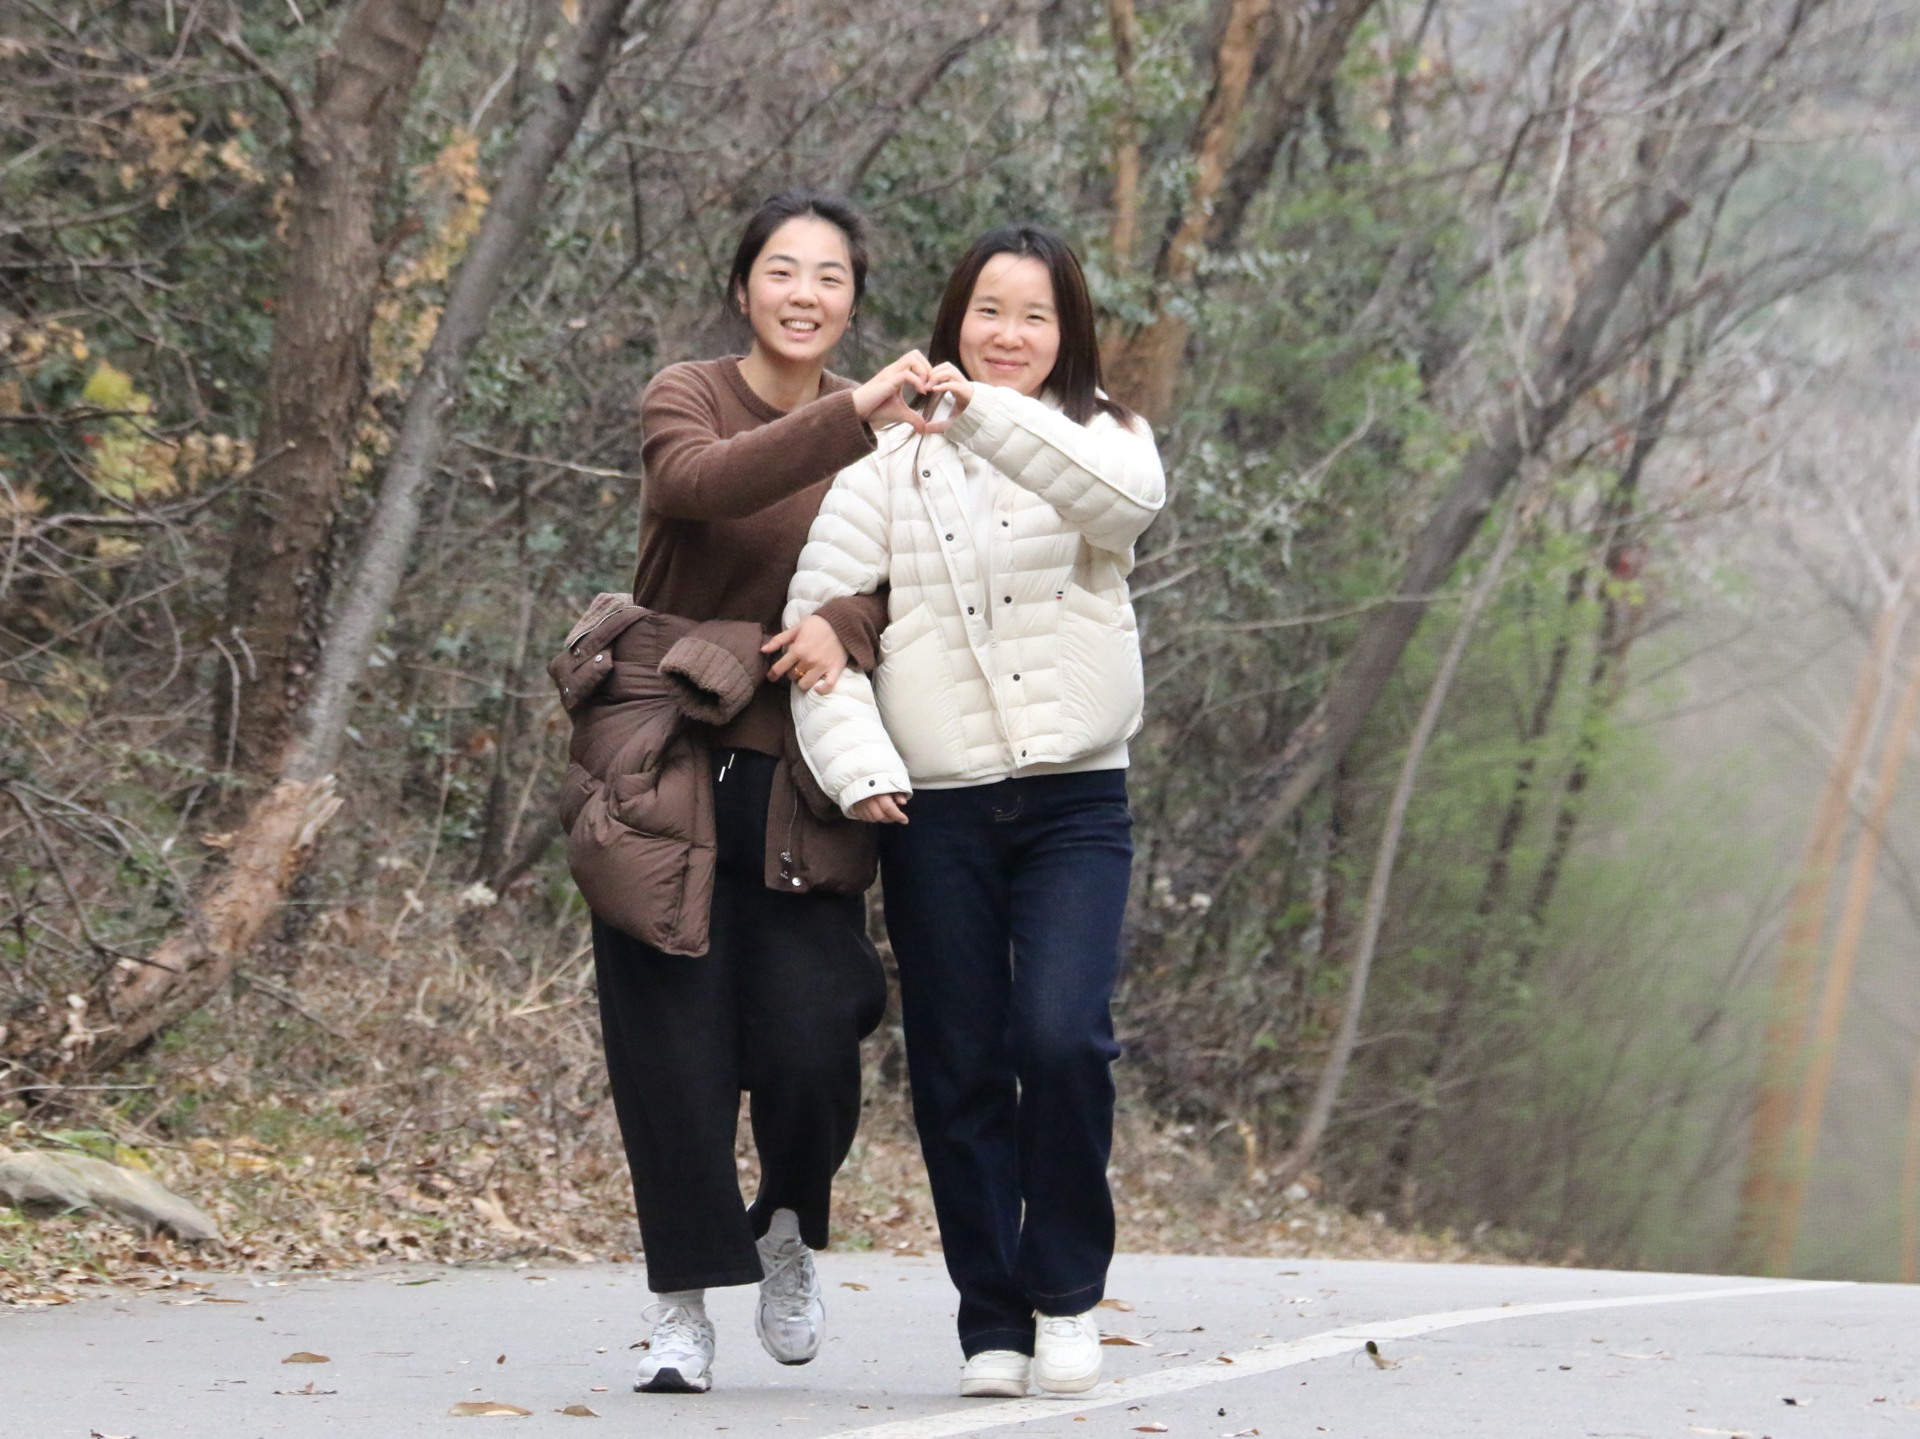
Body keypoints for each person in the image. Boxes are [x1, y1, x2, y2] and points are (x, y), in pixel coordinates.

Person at [783, 225, 1165, 1398]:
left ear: (1068, 332)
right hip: (935, 811)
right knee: (957, 1066)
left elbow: (1123, 508)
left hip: (1075, 800)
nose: (1008, 333)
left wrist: (984, 413)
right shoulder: (881, 467)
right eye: (989, 311)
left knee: (1061, 1038)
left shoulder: (1108, 437)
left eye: (1035, 315)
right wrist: (859, 765)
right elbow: (815, 634)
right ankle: (991, 1318)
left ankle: (1067, 1293)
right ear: (954, 319)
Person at [593, 188, 936, 1396]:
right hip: (667, 763)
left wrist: (848, 622)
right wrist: (853, 412)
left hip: (806, 771)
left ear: (854, 299)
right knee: (669, 1051)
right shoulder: (686, 395)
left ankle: (787, 1221)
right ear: (743, 288)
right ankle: (680, 1306)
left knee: (813, 1037)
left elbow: (906, 585)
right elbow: (704, 484)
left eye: (830, 276)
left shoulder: (898, 440)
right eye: (783, 271)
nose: (805, 294)